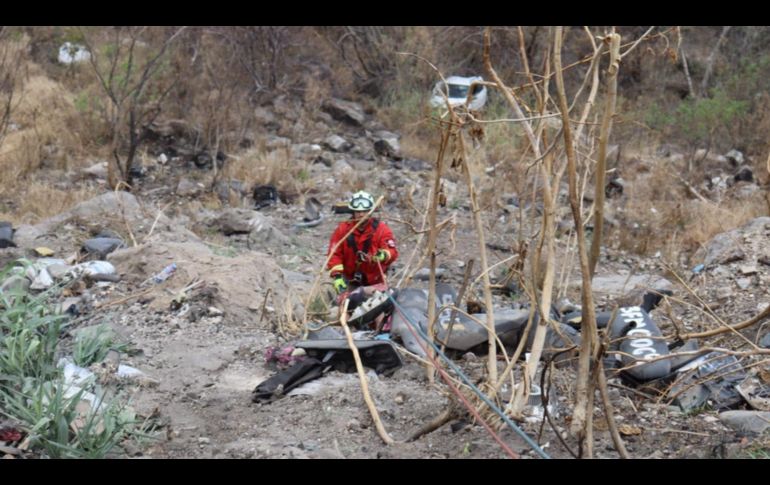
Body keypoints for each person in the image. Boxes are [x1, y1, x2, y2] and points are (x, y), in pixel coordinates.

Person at [327, 191, 398, 296]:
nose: (361, 214)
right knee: (344, 306)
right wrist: (337, 276)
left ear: (370, 211)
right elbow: (334, 254)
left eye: (364, 211)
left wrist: (384, 255)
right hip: (349, 280)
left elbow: (392, 251)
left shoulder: (381, 229)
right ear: (353, 212)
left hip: (375, 281)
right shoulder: (342, 230)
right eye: (358, 211)